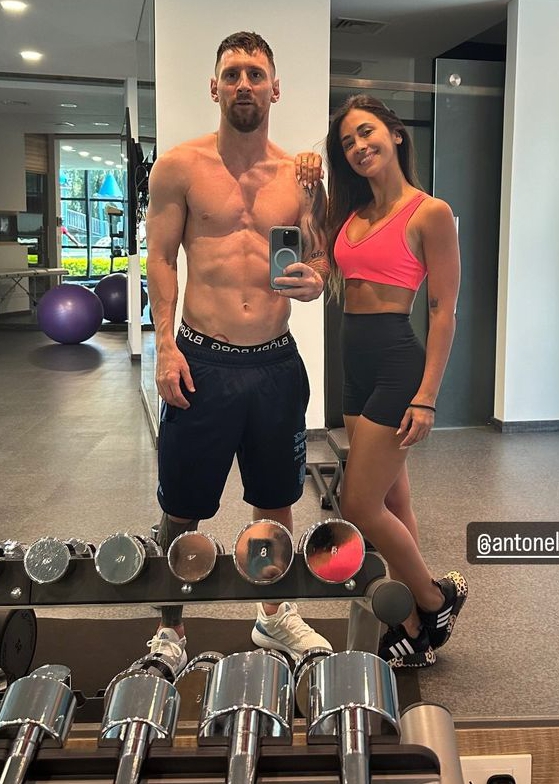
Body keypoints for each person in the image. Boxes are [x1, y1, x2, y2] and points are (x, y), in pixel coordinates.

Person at [145, 31, 332, 674]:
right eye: (233, 73)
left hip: (275, 363)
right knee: (184, 503)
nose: (244, 84)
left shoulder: (300, 175)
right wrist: (165, 347)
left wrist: (314, 277)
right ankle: (171, 624)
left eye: (256, 73)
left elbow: (321, 256)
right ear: (215, 86)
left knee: (274, 495)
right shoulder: (178, 166)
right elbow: (162, 259)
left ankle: (273, 616)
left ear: (275, 87)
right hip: (203, 359)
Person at [324, 94, 467, 668]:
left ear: (396, 135)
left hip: (394, 361)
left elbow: (442, 311)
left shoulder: (429, 212)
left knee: (358, 503)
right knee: (389, 495)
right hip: (351, 359)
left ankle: (435, 601)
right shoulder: (352, 213)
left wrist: (427, 396)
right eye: (348, 142)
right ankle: (410, 619)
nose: (359, 147)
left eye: (367, 133)